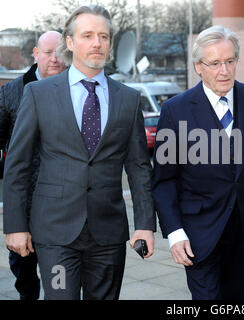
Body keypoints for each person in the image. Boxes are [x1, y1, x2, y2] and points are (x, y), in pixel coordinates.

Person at [3, 5, 155, 300]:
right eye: (87, 35)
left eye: (103, 36)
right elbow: (17, 164)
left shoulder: (128, 99)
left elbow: (139, 167)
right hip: (55, 234)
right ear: (70, 43)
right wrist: (15, 226)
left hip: (109, 235)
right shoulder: (39, 94)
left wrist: (146, 225)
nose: (97, 43)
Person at [152, 25, 244, 300]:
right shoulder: (175, 110)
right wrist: (174, 232)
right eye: (214, 63)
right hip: (198, 230)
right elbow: (164, 180)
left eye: (230, 61)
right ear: (198, 67)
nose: (224, 70)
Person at [0, 30, 66, 300]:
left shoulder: (78, 90)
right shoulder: (12, 92)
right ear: (36, 54)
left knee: (61, 277)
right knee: (25, 271)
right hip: (25, 204)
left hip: (63, 204)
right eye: (48, 52)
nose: (54, 59)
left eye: (60, 53)